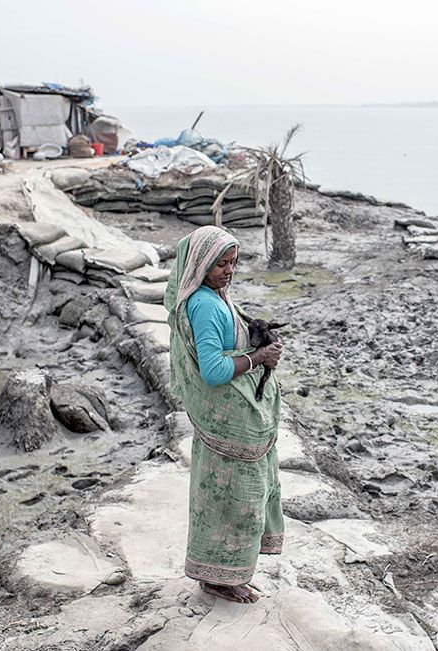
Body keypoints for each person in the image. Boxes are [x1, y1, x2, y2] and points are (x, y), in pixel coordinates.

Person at [164, 225, 285, 604]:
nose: (229, 271)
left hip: (232, 422)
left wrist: (256, 340)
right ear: (200, 266)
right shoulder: (203, 305)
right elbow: (213, 371)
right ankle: (218, 577)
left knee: (236, 498)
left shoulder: (216, 297)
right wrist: (258, 358)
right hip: (228, 423)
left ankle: (225, 573)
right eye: (220, 264)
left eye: (233, 263)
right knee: (235, 501)